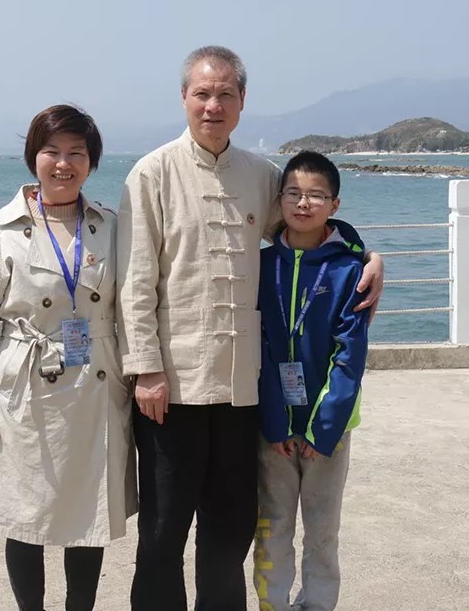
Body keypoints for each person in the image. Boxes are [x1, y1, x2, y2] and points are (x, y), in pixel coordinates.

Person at [116, 46, 383, 611]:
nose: (213, 106)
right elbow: (134, 281)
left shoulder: (262, 176)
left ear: (242, 102)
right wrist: (145, 369)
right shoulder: (151, 174)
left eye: (225, 95)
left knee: (231, 529)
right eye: (202, 94)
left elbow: (312, 226)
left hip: (243, 390)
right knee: (163, 532)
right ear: (184, 98)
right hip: (172, 388)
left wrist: (367, 256)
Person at [0, 104, 136, 611]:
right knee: (25, 511)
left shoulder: (111, 227)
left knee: (88, 511)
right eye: (52, 151)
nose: (64, 164)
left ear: (92, 161)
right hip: (27, 379)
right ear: (33, 158)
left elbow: (138, 299)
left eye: (76, 153)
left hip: (96, 380)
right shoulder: (2, 230)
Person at [253, 151, 369, 611]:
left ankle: (318, 604)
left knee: (323, 532)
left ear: (334, 205)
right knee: (272, 526)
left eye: (316, 195)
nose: (303, 203)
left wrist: (324, 430)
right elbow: (259, 348)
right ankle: (273, 604)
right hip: (272, 430)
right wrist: (276, 424)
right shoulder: (260, 266)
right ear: (279, 200)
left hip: (330, 432)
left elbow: (349, 354)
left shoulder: (349, 271)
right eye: (294, 193)